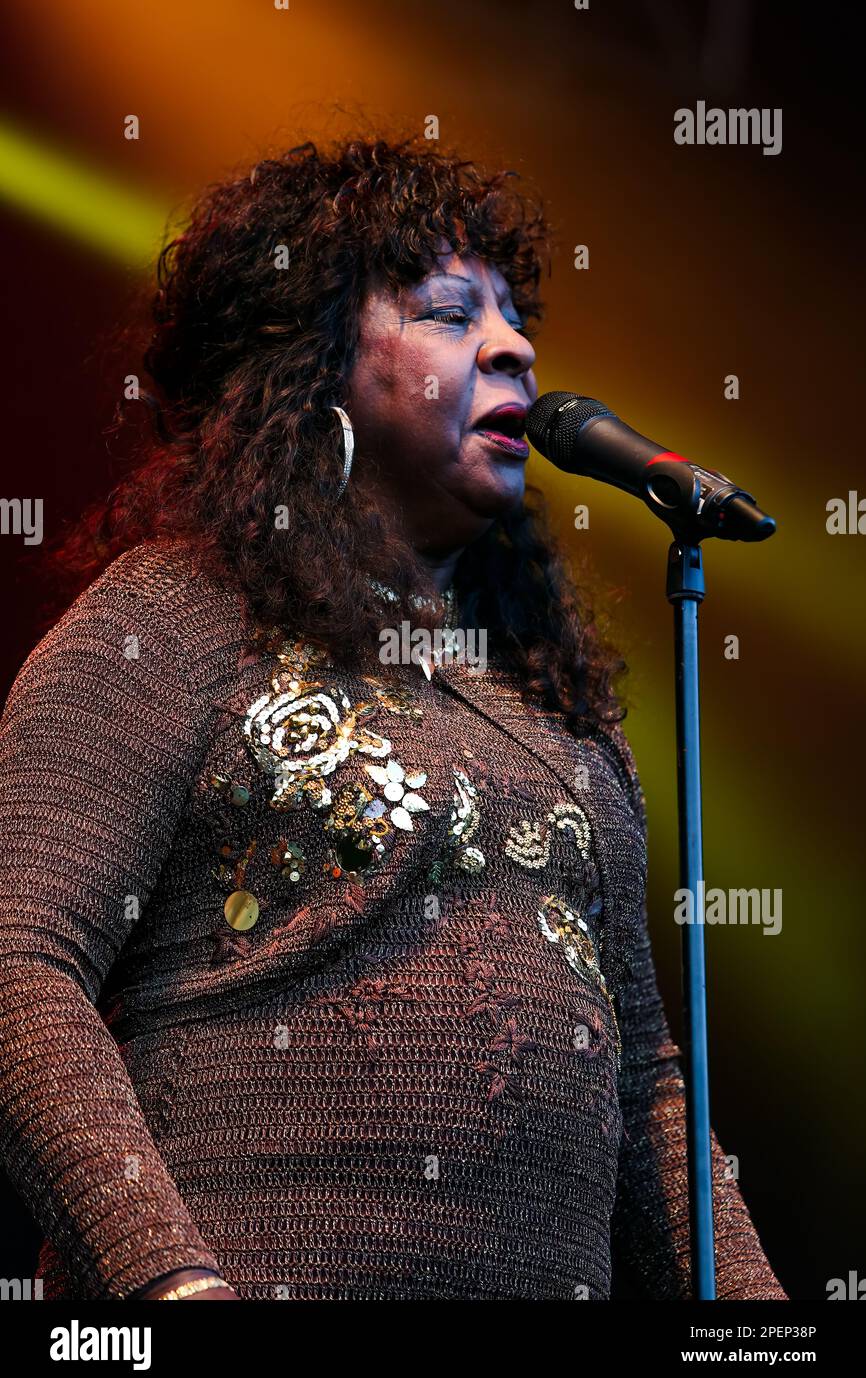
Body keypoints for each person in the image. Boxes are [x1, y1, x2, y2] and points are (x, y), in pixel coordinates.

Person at [0, 136, 786, 1300]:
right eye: (448, 313)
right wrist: (165, 1281)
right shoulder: (171, 617)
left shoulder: (558, 704)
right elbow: (18, 960)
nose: (515, 346)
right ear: (310, 365)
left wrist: (755, 1322)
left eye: (513, 317)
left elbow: (646, 1087)